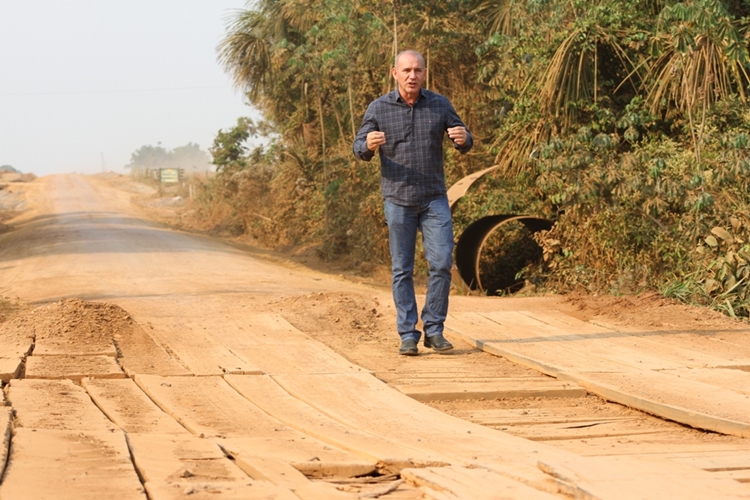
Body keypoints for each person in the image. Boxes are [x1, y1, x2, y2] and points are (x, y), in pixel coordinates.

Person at [352, 49, 473, 356]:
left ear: (424, 73)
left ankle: (434, 330)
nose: (412, 75)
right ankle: (408, 333)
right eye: (406, 70)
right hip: (398, 200)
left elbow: (464, 138)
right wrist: (367, 145)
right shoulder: (379, 108)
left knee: (442, 262)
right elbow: (358, 146)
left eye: (417, 70)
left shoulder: (439, 104)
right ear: (395, 73)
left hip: (434, 199)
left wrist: (463, 137)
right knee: (402, 269)